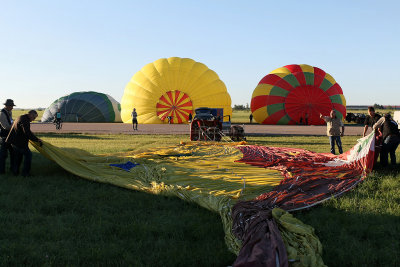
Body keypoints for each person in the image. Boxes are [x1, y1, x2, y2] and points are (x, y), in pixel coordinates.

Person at [6, 110, 42, 177]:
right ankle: (25, 173)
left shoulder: (21, 117)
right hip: (19, 142)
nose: (33, 119)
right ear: (31, 114)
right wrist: (37, 140)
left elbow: (26, 131)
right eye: (34, 118)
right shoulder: (25, 120)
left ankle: (15, 172)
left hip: (14, 141)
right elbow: (27, 132)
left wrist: (35, 138)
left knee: (18, 157)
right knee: (28, 155)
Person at [0, 99, 15, 174]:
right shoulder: (2, 114)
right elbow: (6, 126)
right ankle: (2, 171)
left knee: (13, 153)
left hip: (9, 136)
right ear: (7, 106)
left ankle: (12, 169)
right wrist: (14, 125)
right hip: (4, 137)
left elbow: (10, 121)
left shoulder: (9, 112)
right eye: (11, 106)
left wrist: (13, 123)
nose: (12, 107)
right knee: (3, 155)